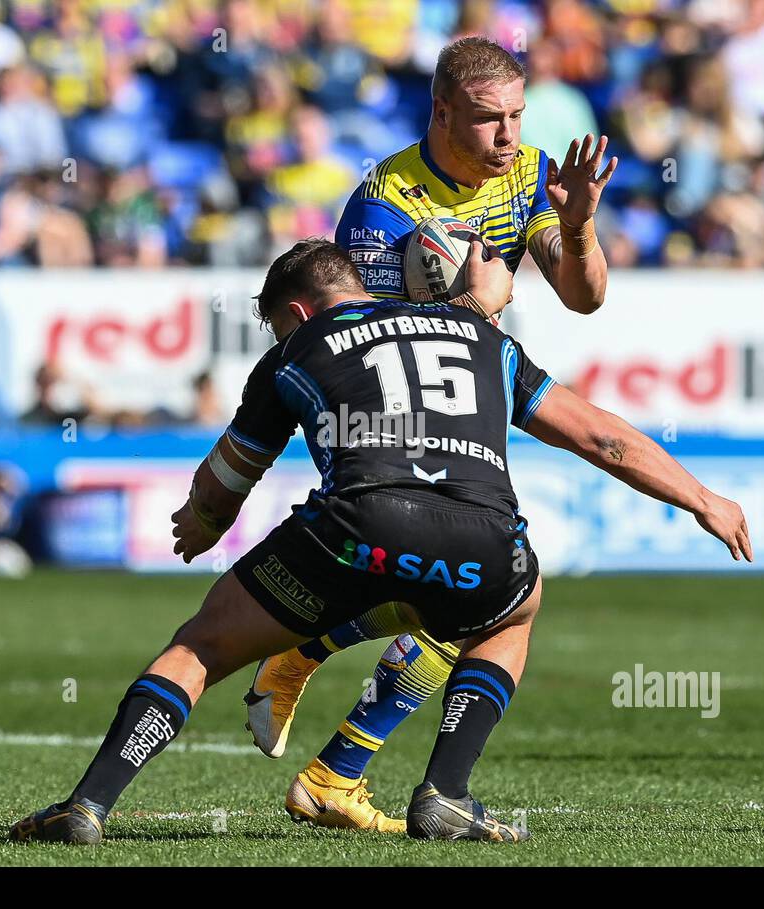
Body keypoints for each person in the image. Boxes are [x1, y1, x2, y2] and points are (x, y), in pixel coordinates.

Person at [8, 239, 752, 844]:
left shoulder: (296, 352)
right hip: (484, 537)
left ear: (296, 312)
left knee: (199, 648)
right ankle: (447, 793)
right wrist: (701, 498)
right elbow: (601, 438)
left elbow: (223, 484)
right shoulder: (482, 338)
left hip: (352, 531)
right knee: (513, 614)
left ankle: (89, 805)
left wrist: (201, 521)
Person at [247, 35, 618, 830]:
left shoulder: (528, 172)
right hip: (396, 418)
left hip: (469, 393)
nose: (510, 137)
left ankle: (321, 712)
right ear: (442, 111)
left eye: (518, 115)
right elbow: (382, 343)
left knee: (466, 593)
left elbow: (584, 297)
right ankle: (334, 745)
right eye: (490, 120)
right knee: (476, 593)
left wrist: (578, 224)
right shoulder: (384, 207)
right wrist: (476, 308)